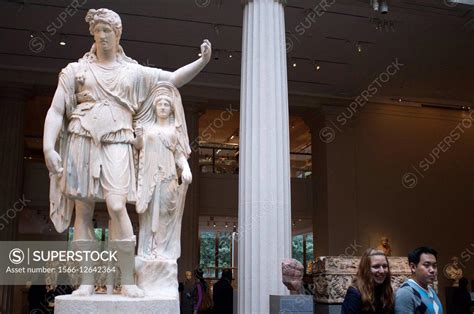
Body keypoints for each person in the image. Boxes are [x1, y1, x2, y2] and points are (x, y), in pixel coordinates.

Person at [43, 8, 211, 297]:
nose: (102, 36)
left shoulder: (133, 72)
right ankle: (86, 282)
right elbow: (56, 109)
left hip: (118, 140)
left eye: (107, 31)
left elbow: (171, 79)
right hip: (82, 138)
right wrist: (48, 146)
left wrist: (202, 61)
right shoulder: (75, 71)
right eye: (97, 31)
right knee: (82, 212)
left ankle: (127, 280)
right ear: (92, 34)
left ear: (118, 34)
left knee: (117, 206)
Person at [342, 248, 394, 313]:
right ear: (366, 269)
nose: (382, 271)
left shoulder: (386, 291)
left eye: (384, 266)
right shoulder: (354, 294)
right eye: (376, 266)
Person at [395, 246, 443, 314]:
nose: (432, 270)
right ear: (413, 267)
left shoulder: (430, 289)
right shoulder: (406, 293)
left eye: (434, 266)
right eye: (426, 265)